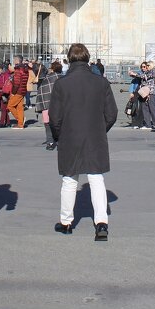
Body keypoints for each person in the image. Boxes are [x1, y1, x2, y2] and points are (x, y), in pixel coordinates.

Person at [50, 43, 118, 240]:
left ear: (70, 59)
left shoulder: (61, 84)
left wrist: (59, 135)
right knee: (96, 179)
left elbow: (54, 118)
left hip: (69, 135)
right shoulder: (101, 82)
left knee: (69, 180)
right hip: (94, 136)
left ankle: (66, 222)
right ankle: (101, 223)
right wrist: (99, 129)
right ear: (87, 58)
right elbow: (112, 114)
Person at [37, 61, 63, 149]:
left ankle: (50, 142)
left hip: (47, 105)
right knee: (60, 124)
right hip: (60, 106)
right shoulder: (64, 78)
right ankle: (60, 141)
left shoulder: (47, 79)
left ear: (52, 69)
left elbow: (42, 91)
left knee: (48, 124)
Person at [9, 56, 30, 128]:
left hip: (18, 91)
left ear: (17, 61)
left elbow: (17, 83)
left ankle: (21, 119)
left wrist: (13, 92)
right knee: (19, 107)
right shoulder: (25, 69)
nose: (13, 61)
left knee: (10, 106)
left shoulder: (18, 70)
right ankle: (20, 124)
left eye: (14, 60)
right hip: (23, 90)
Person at [0, 62, 13, 128]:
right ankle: (8, 122)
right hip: (1, 93)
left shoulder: (5, 75)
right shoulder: (2, 75)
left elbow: (5, 85)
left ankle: (1, 123)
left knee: (3, 109)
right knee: (4, 109)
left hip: (4, 93)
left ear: (1, 69)